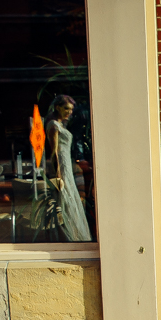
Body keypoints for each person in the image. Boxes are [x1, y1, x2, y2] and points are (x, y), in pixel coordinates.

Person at [44, 94, 93, 242]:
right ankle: (71, 235)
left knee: (72, 196)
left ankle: (77, 234)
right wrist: (58, 174)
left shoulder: (60, 125)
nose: (69, 112)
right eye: (66, 108)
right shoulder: (53, 125)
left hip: (67, 165)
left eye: (71, 109)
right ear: (57, 107)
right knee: (66, 197)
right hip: (62, 166)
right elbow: (54, 153)